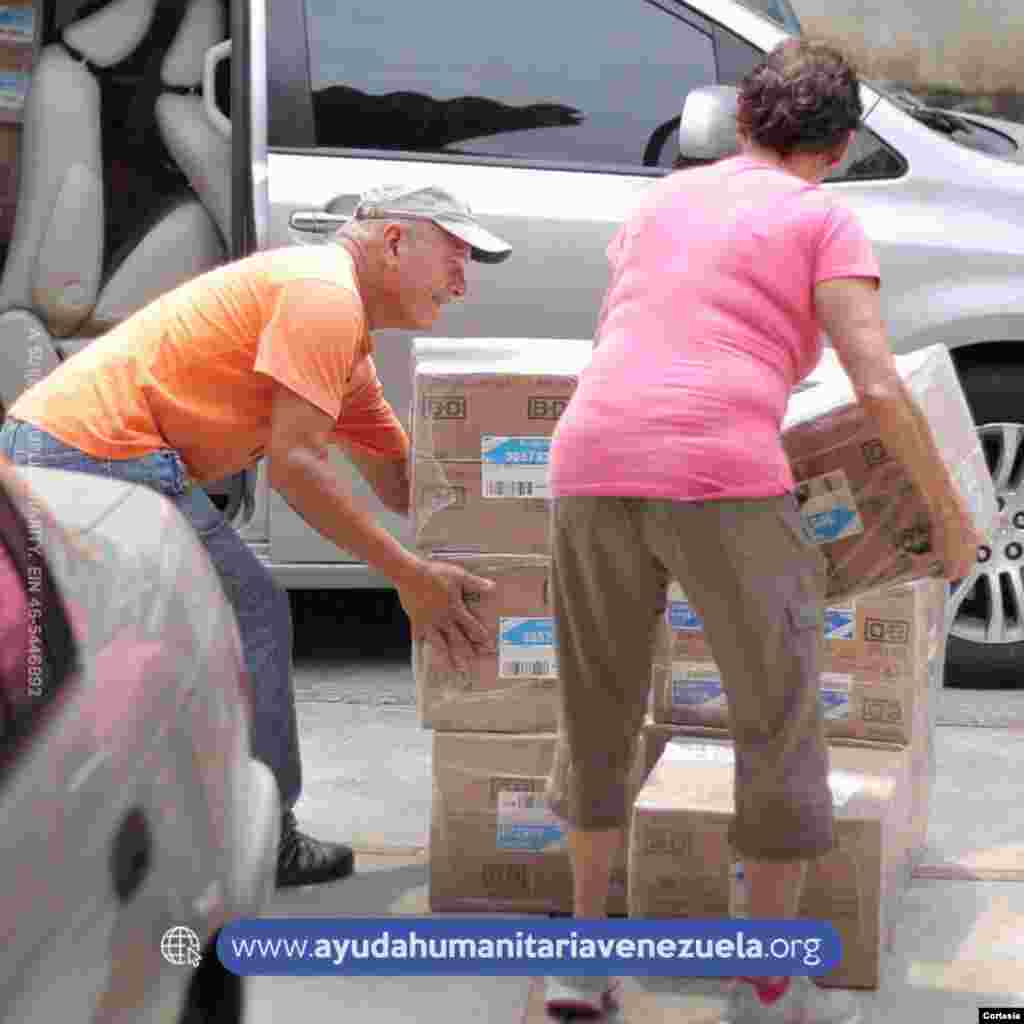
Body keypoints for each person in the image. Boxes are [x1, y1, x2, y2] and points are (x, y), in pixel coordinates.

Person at [540, 40, 982, 1023]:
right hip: (720, 474)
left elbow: (653, 333)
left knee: (596, 710)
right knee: (775, 719)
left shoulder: (657, 204)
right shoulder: (821, 215)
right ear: (837, 148)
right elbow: (872, 381)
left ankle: (578, 965)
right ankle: (769, 979)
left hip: (588, 459)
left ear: (742, 125)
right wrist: (951, 523)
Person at [0, 184, 512, 888]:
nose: (464, 281)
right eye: (455, 255)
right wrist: (410, 577)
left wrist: (522, 507)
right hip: (91, 449)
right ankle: (266, 838)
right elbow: (296, 469)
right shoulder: (322, 295)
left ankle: (129, 830)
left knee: (123, 647)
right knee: (251, 614)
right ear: (395, 242)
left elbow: (401, 484)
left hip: (77, 444)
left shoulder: (346, 342)